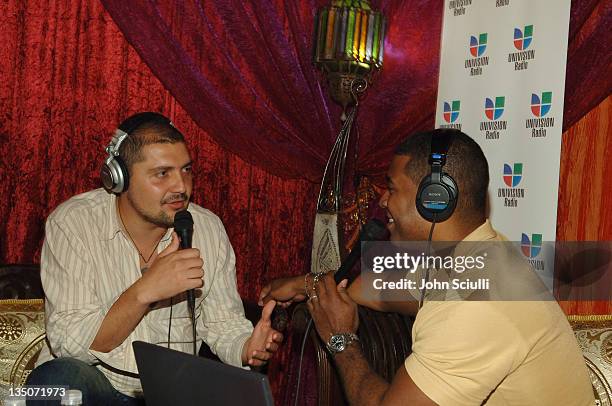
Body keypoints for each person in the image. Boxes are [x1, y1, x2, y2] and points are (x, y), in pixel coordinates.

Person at [259, 129, 594, 405]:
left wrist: (340, 338)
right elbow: (375, 289)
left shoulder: (474, 301)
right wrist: (307, 284)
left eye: (391, 189)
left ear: (435, 199)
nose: (383, 202)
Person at [28, 112, 283, 405]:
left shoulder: (207, 228)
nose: (181, 187)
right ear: (118, 178)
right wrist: (146, 289)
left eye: (186, 171)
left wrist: (247, 347)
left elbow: (222, 323)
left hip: (170, 391)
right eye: (162, 174)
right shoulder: (74, 223)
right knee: (55, 382)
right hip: (95, 383)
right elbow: (71, 345)